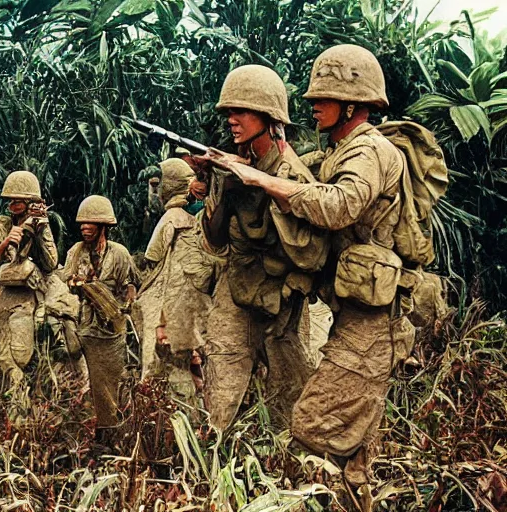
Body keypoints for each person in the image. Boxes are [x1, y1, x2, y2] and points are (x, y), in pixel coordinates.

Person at [207, 44, 418, 505]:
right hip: (357, 312)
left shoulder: (369, 150)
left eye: (323, 99)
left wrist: (268, 182)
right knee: (353, 451)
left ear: (350, 104)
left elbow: (338, 206)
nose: (312, 106)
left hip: (372, 322)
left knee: (310, 426)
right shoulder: (343, 149)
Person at [191, 65, 329, 431]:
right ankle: (213, 460)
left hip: (282, 296)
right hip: (237, 289)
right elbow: (216, 242)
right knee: (221, 372)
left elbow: (308, 250)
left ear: (268, 117)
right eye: (228, 113)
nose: (232, 120)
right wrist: (224, 190)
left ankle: (288, 467)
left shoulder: (292, 175)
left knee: (290, 388)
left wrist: (263, 186)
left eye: (241, 112)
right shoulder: (230, 167)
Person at [58, 195, 139, 453]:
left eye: (90, 223)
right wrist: (75, 284)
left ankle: (115, 436)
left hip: (111, 331)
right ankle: (90, 435)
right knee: (88, 383)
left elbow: (133, 282)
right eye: (82, 223)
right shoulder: (76, 252)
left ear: (103, 225)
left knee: (113, 384)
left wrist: (125, 309)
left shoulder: (119, 254)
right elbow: (62, 281)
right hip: (84, 328)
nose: (84, 227)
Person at [135, 159, 216, 412]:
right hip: (187, 308)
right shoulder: (193, 220)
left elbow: (153, 255)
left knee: (164, 371)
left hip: (170, 307)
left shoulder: (173, 218)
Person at [0, 171, 58, 420]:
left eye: (19, 201)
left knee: (21, 356)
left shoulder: (40, 225)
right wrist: (7, 241)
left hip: (26, 300)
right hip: (4, 298)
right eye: (10, 200)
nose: (13, 205)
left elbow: (51, 263)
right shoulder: (1, 225)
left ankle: (21, 414)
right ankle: (13, 412)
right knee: (4, 358)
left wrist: (38, 231)